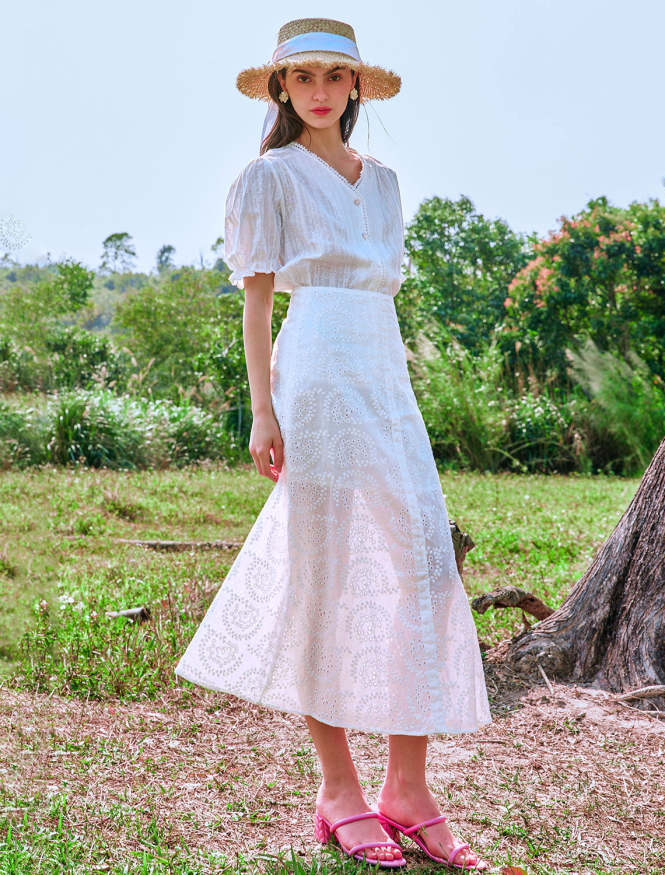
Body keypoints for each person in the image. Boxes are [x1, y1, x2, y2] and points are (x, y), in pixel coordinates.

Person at [175, 17, 492, 871]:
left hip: (384, 380)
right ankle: (339, 789)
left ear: (356, 88)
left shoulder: (383, 182)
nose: (320, 88)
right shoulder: (266, 177)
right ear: (281, 88)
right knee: (322, 571)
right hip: (311, 374)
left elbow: (378, 295)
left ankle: (409, 789)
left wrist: (393, 390)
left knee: (425, 565)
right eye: (303, 75)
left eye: (335, 75)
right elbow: (256, 300)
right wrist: (262, 409)